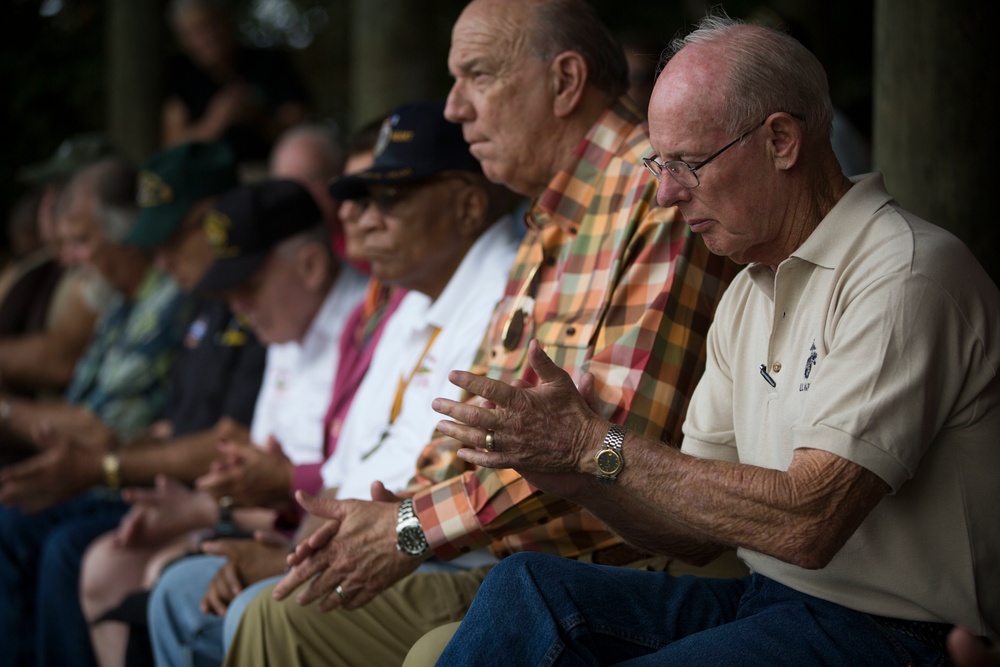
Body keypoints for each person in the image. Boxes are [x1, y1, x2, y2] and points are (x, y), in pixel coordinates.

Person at [430, 13, 1000, 666]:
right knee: (525, 587)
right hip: (773, 598)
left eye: (689, 164)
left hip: (901, 631)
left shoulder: (903, 271)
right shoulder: (747, 288)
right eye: (657, 164)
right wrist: (579, 476)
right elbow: (692, 532)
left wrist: (594, 443)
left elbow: (808, 521)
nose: (667, 194)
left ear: (781, 140)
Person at [223, 1, 738, 665]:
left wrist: (409, 527)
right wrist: (378, 518)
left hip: (627, 569)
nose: (454, 108)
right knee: (277, 615)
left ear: (566, 81)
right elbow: (481, 424)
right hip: (524, 564)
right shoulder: (547, 218)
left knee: (381, 636)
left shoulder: (654, 190)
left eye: (478, 76)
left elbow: (603, 442)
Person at [148, 99, 519, 667]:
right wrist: (303, 540)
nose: (359, 219)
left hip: (441, 555)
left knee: (255, 610)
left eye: (387, 200)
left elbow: (446, 481)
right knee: (177, 591)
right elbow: (355, 464)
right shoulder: (413, 298)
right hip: (377, 538)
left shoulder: (504, 287)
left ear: (468, 206)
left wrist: (307, 552)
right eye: (359, 199)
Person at [64, 141, 268, 667]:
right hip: (184, 496)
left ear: (217, 218)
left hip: (241, 505)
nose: (163, 260)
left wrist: (107, 465)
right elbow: (175, 423)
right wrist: (112, 448)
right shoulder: (203, 304)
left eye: (174, 238)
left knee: (87, 554)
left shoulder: (262, 301)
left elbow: (232, 441)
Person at [0, 156, 194, 667]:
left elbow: (99, 433)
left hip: (136, 479)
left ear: (127, 237)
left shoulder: (169, 305)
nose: (67, 259)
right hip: (105, 472)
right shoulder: (120, 305)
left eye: (81, 241)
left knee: (34, 534)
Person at [0, 135, 118, 401]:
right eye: (48, 192)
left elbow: (61, 359)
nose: (47, 203)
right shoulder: (35, 265)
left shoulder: (98, 270)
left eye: (63, 192)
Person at [161, 0, 310, 164]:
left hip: (271, 169)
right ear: (183, 41)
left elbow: (300, 130)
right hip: (207, 178)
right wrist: (216, 122)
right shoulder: (180, 74)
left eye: (212, 23)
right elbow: (172, 144)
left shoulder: (270, 63)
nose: (209, 36)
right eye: (196, 31)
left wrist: (255, 117)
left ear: (227, 21)